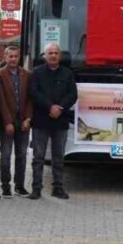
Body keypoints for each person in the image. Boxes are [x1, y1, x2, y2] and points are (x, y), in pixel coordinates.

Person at [29, 43, 77, 200]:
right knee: (38, 157)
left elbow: (72, 94)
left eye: (56, 53)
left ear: (60, 56)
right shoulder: (36, 73)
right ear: (44, 55)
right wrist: (50, 107)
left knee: (58, 157)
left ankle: (58, 188)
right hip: (41, 120)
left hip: (60, 121)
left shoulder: (68, 73)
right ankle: (36, 189)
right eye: (50, 53)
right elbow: (34, 93)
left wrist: (60, 107)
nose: (53, 56)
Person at [0, 45, 33, 197]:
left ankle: (20, 185)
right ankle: (5, 185)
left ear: (19, 57)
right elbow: (1, 100)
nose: (13, 59)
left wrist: (28, 119)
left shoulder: (27, 75)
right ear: (5, 57)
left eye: (15, 56)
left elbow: (31, 98)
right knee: (5, 156)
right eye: (10, 56)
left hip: (23, 121)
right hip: (7, 123)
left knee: (21, 155)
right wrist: (7, 122)